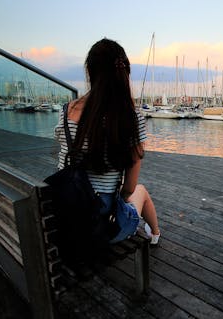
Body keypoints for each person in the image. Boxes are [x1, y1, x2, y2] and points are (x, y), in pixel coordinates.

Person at [54, 39, 160, 245]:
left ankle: (154, 232)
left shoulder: (65, 111)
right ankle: (155, 233)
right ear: (123, 72)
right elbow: (128, 188)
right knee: (140, 191)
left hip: (63, 214)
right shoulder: (131, 118)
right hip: (100, 227)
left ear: (90, 72)